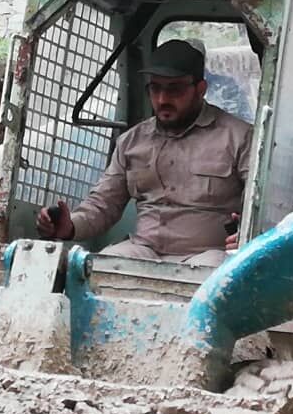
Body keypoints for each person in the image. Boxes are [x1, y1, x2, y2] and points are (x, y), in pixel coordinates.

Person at [35, 39, 252, 267]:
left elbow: (261, 208)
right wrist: (70, 226)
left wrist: (247, 236)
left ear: (200, 90)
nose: (162, 100)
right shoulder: (132, 141)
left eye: (174, 89)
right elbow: (103, 204)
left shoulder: (239, 137)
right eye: (155, 88)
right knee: (97, 268)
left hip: (208, 254)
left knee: (217, 274)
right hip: (143, 250)